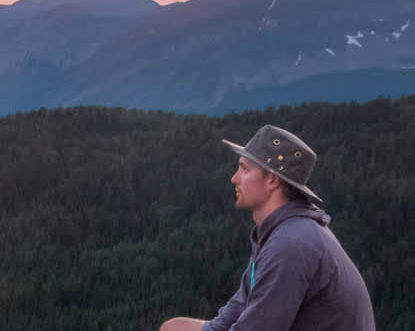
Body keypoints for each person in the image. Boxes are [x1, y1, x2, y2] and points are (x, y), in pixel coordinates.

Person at [159, 125, 375, 331]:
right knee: (173, 327)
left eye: (244, 168)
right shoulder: (281, 233)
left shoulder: (291, 244)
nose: (234, 178)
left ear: (272, 179)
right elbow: (233, 315)